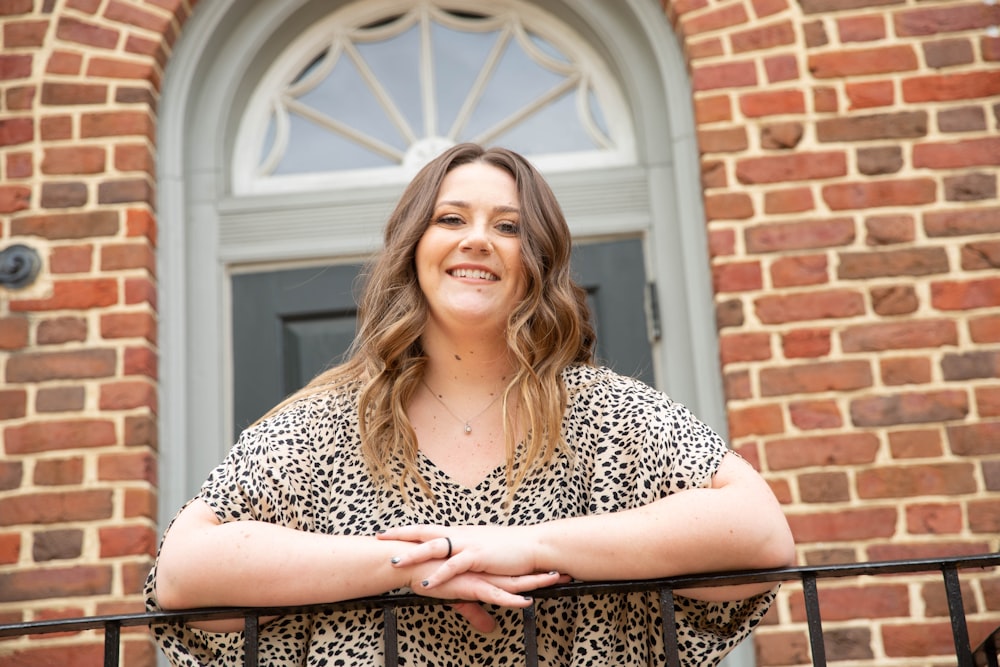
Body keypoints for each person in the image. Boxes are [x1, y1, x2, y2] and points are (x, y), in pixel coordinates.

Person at [145, 143, 795, 666]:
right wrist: (412, 565)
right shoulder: (325, 424)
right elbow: (182, 570)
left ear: (535, 260)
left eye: (508, 226)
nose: (477, 239)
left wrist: (525, 544)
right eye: (451, 218)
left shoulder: (607, 413)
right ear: (413, 249)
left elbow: (761, 531)